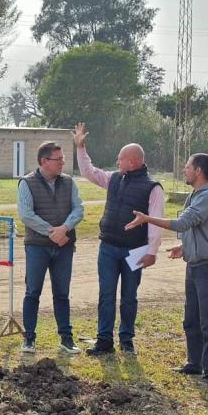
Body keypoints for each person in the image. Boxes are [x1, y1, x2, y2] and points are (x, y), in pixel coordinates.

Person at [125, 153, 208, 385]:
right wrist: (185, 245)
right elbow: (197, 229)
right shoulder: (196, 195)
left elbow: (183, 223)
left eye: (187, 166)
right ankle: (195, 363)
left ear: (198, 170)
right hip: (195, 264)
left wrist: (146, 219)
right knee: (191, 318)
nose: (184, 169)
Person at [72, 122, 164, 356]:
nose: (117, 162)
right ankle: (104, 341)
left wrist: (152, 252)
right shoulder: (114, 178)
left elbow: (155, 221)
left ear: (131, 161)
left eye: (120, 158)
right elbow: (89, 172)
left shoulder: (153, 188)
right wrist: (80, 148)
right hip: (108, 247)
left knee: (129, 297)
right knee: (106, 294)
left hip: (135, 251)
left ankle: (127, 339)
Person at [18, 141, 84, 354]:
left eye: (63, 159)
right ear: (44, 161)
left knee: (62, 293)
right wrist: (52, 232)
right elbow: (26, 215)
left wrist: (64, 228)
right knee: (33, 292)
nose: (63, 163)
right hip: (37, 247)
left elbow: (78, 209)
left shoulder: (69, 182)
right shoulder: (26, 183)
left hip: (64, 247)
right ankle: (29, 338)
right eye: (59, 159)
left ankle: (66, 338)